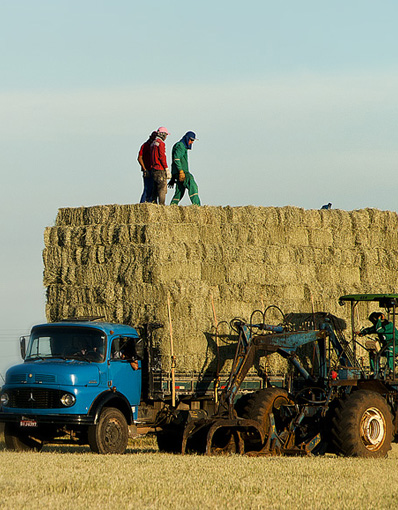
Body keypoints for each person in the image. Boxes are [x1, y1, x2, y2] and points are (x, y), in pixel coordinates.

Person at [169, 131, 201, 206]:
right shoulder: (180, 146)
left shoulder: (179, 146)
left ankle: (172, 206)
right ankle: (197, 207)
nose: (192, 142)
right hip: (183, 172)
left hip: (178, 173)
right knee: (192, 183)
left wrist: (173, 177)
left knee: (179, 191)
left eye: (193, 140)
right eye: (191, 140)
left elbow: (173, 163)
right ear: (187, 138)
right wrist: (181, 171)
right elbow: (176, 159)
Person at [150, 127, 171, 205]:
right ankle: (162, 206)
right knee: (162, 189)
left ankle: (154, 205)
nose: (166, 137)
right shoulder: (161, 143)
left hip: (153, 169)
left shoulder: (153, 143)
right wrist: (166, 168)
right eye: (165, 135)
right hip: (160, 169)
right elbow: (162, 156)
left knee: (154, 190)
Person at [137, 131, 157, 203]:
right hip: (148, 170)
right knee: (147, 188)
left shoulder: (154, 146)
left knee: (153, 189)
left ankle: (150, 204)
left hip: (154, 170)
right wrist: (145, 169)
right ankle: (142, 205)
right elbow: (139, 158)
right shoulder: (145, 145)